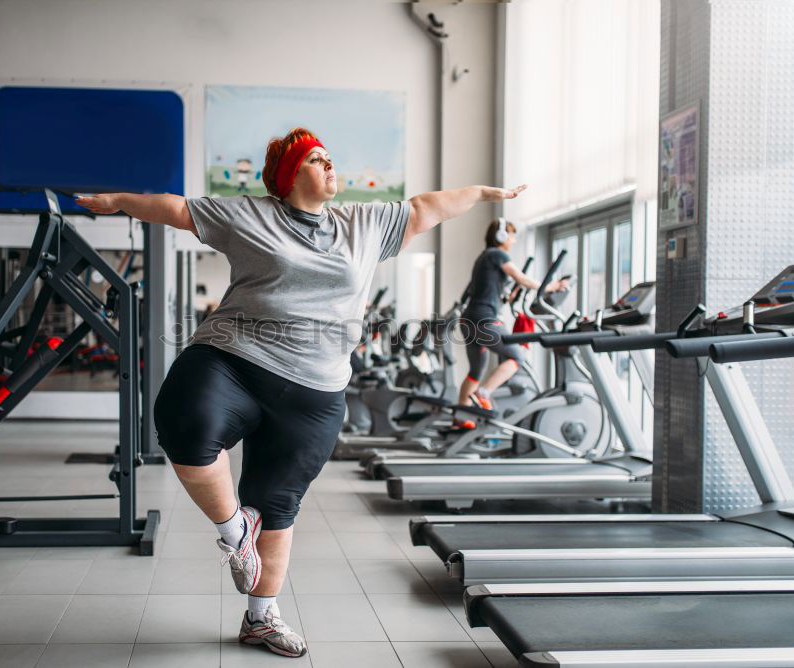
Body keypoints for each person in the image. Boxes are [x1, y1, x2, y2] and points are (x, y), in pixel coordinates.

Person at [77, 127, 526, 658]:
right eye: (317, 159)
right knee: (184, 419)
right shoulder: (249, 215)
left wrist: (483, 194)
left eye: (331, 158)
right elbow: (174, 208)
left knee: (277, 505)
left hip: (316, 389)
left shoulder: (364, 223)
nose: (330, 166)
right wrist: (112, 202)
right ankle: (233, 531)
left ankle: (261, 619)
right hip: (234, 358)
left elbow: (428, 207)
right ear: (290, 175)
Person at [456, 218, 568, 422]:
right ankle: (483, 394)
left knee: (475, 371)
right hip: (484, 320)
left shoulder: (484, 257)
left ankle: (461, 419)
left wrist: (508, 298)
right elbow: (521, 277)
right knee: (517, 357)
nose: (514, 240)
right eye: (512, 235)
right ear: (501, 236)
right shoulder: (497, 254)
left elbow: (490, 291)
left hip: (469, 320)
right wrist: (551, 286)